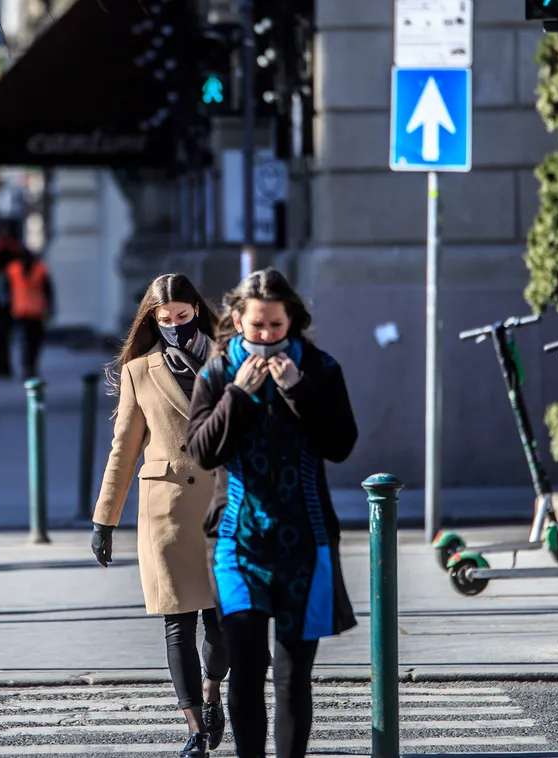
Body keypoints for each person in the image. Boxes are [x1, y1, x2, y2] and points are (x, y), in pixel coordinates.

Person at [185, 268, 359, 758]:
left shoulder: (321, 370)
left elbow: (342, 444)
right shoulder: (218, 373)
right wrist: (237, 395)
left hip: (306, 542)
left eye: (275, 327)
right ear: (237, 319)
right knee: (245, 665)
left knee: (292, 676)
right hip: (237, 545)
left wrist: (298, 389)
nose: (265, 336)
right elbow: (201, 451)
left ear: (293, 322)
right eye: (255, 326)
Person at [91, 274, 228, 758]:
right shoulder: (140, 371)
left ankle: (213, 692)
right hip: (166, 511)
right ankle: (193, 727)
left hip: (223, 508)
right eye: (163, 320)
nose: (174, 326)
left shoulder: (228, 358)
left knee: (222, 624)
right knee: (178, 623)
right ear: (152, 319)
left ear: (196, 309)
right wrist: (104, 518)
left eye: (182, 317)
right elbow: (123, 449)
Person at [5, 248, 54, 379]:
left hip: (35, 313)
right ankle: (28, 367)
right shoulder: (13, 269)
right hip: (21, 312)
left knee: (34, 342)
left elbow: (48, 290)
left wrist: (51, 309)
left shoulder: (40, 269)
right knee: (26, 342)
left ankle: (30, 366)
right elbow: (8, 290)